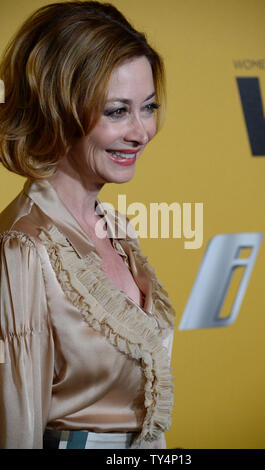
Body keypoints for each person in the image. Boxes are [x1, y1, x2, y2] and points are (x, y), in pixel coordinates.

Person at [0, 1, 176, 449]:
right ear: (58, 110)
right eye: (117, 111)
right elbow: (16, 427)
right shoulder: (23, 248)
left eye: (149, 107)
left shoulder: (117, 230)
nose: (142, 131)